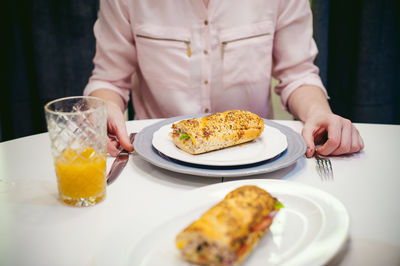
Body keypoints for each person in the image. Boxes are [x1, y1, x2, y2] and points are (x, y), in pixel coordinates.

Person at [84, 0, 364, 157]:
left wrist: (319, 113)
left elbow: (297, 73)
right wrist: (104, 110)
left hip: (257, 158)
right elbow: (109, 80)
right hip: (157, 158)